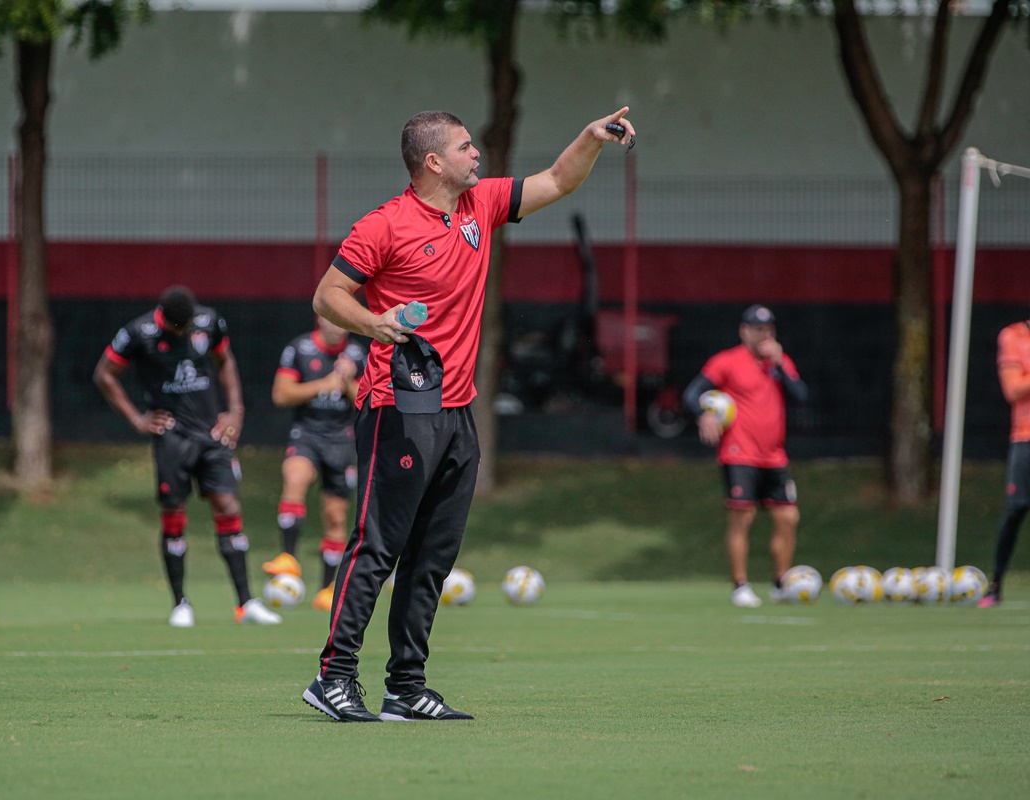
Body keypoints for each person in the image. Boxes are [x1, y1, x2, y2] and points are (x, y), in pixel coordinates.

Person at [301, 107, 636, 723]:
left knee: (433, 556)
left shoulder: (479, 203)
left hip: (456, 412)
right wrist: (374, 323)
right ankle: (334, 676)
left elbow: (558, 180)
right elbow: (327, 295)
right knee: (378, 546)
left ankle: (406, 687)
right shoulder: (384, 224)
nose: (476, 153)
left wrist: (590, 138)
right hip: (398, 406)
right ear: (433, 162)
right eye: (463, 146)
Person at [93, 285, 281, 627]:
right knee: (174, 516)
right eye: (177, 329)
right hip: (172, 438)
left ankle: (246, 603)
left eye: (187, 328)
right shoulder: (138, 332)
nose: (183, 334)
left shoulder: (209, 321)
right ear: (163, 320)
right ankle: (180, 604)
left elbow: (226, 361)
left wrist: (235, 411)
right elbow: (104, 373)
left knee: (228, 506)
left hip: (212, 434)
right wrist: (137, 419)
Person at [682, 304, 809, 609]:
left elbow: (801, 396)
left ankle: (780, 584)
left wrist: (781, 364)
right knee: (743, 518)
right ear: (744, 331)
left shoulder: (779, 362)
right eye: (758, 329)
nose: (764, 335)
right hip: (739, 453)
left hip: (774, 456)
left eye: (769, 329)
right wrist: (703, 415)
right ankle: (740, 586)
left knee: (788, 517)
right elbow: (692, 393)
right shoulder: (727, 361)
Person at [262, 315, 367, 611]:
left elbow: (368, 401)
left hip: (342, 440)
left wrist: (347, 382)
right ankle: (289, 557)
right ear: (321, 317)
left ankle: (327, 589)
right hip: (307, 435)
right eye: (333, 318)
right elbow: (281, 394)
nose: (338, 325)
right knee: (295, 479)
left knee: (336, 517)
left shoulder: (358, 355)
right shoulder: (299, 349)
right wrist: (324, 383)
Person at [979, 318, 1030, 607]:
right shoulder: (1014, 336)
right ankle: (996, 584)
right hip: (1026, 437)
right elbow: (1013, 389)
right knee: (1016, 509)